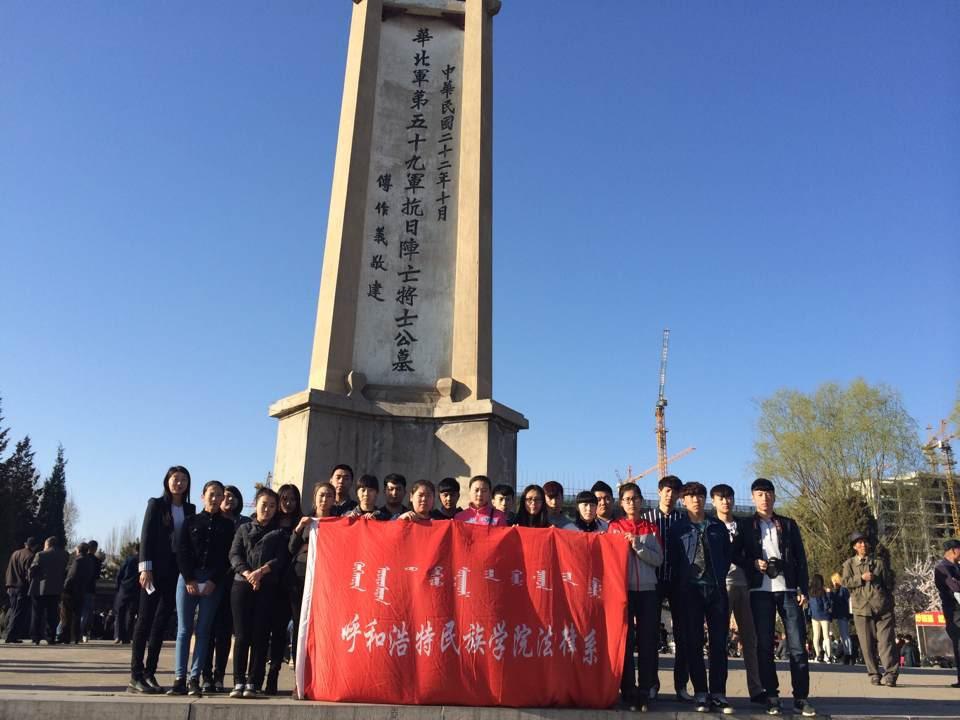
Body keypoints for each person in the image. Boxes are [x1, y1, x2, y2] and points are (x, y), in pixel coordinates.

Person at [741, 478, 816, 717]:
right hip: (759, 591)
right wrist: (753, 562)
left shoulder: (788, 524)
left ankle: (801, 697)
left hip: (788, 589)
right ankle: (771, 695)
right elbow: (735, 555)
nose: (764, 498)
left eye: (768, 494)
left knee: (797, 646)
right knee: (764, 645)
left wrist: (803, 588)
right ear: (753, 498)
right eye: (759, 494)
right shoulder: (746, 526)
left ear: (774, 496)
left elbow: (801, 560)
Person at [128, 465, 196, 695]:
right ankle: (135, 675)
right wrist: (145, 568)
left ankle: (150, 672)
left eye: (184, 479)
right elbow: (146, 536)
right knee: (144, 620)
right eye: (175, 479)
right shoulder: (156, 505)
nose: (179, 483)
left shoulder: (190, 508)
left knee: (161, 622)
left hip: (176, 573)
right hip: (154, 571)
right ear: (167, 481)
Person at [667, 482, 733, 714]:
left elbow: (727, 554)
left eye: (700, 496)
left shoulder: (717, 526)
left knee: (719, 643)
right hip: (689, 591)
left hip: (715, 589)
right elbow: (673, 559)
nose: (696, 500)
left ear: (705, 499)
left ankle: (718, 693)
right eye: (691, 496)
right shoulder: (677, 528)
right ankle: (701, 692)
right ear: (683, 500)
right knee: (693, 642)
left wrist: (720, 574)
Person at [167, 480, 234, 697]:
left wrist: (214, 580)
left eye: (219, 496)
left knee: (204, 631)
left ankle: (194, 678)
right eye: (211, 495)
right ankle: (179, 678)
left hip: (213, 582)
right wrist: (188, 578)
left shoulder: (227, 526)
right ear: (202, 496)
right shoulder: (190, 521)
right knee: (184, 630)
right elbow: (182, 550)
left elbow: (227, 557)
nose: (215, 499)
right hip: (188, 578)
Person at [229, 486, 289, 699]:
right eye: (265, 504)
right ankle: (238, 681)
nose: (268, 509)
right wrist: (248, 573)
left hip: (267, 587)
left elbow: (281, 559)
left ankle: (254, 682)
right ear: (256, 504)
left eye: (273, 506)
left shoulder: (280, 533)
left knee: (260, 635)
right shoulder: (244, 528)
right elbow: (235, 554)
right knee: (242, 635)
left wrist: (261, 573)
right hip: (242, 585)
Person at [609, 483, 662, 712]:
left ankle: (646, 690)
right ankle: (628, 691)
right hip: (623, 591)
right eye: (627, 499)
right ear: (621, 503)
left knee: (648, 642)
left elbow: (658, 559)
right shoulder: (614, 527)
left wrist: (637, 544)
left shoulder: (651, 528)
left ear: (641, 501)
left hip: (649, 590)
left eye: (635, 498)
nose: (632, 503)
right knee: (626, 641)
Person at [711, 484, 764, 703]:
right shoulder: (710, 525)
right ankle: (718, 690)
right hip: (722, 585)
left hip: (745, 584)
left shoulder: (744, 525)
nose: (726, 501)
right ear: (713, 501)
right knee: (719, 639)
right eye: (721, 498)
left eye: (729, 497)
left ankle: (756, 688)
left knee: (750, 639)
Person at [642, 474, 689, 701]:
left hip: (679, 581)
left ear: (680, 495)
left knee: (683, 635)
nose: (670, 495)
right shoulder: (647, 519)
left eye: (675, 492)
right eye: (667, 491)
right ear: (659, 492)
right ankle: (652, 683)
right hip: (653, 579)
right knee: (651, 634)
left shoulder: (684, 520)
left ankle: (681, 685)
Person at [202, 484, 251, 693]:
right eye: (225, 496)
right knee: (207, 629)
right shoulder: (211, 521)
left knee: (224, 632)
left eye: (233, 496)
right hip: (213, 580)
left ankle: (219, 675)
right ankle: (205, 676)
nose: (229, 500)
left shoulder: (245, 523)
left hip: (235, 581)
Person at [289, 482, 337, 671]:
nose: (325, 499)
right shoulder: (305, 520)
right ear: (315, 497)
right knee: (299, 622)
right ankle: (299, 668)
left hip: (326, 578)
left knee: (322, 623)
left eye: (329, 496)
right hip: (300, 577)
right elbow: (291, 548)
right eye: (321, 495)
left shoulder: (337, 522)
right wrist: (300, 527)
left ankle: (320, 668)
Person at [841, 532, 898, 687]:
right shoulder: (849, 564)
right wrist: (861, 578)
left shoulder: (879, 563)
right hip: (861, 608)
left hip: (882, 607)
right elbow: (845, 582)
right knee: (866, 644)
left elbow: (889, 582)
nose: (863, 545)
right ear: (854, 547)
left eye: (865, 542)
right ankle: (874, 673)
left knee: (886, 642)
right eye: (859, 543)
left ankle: (891, 674)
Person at [266, 484, 302, 694]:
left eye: (292, 499)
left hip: (296, 583)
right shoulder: (270, 522)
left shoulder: (304, 522)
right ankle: (272, 674)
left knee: (298, 630)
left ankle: (299, 679)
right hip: (274, 584)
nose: (288, 503)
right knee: (276, 631)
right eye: (284, 499)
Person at [28, 536, 69, 645]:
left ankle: (35, 637)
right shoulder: (65, 555)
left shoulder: (41, 554)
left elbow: (32, 570)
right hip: (56, 588)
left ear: (48, 544)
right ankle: (50, 637)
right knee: (52, 614)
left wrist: (31, 580)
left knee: (37, 613)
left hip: (39, 588)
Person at [934, 538, 960, 688]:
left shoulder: (957, 567)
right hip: (954, 611)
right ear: (953, 550)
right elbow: (954, 586)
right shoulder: (943, 567)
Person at [4, 537, 38, 643]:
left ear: (25, 544)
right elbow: (29, 574)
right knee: (19, 612)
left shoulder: (15, 553)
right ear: (35, 546)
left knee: (13, 610)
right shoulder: (30, 556)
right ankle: (11, 635)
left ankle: (9, 633)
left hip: (11, 586)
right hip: (21, 587)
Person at [61, 542, 95, 644]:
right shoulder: (89, 561)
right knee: (77, 614)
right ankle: (76, 637)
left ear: (78, 550)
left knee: (66, 615)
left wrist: (64, 588)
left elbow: (71, 576)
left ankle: (66, 637)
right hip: (82, 590)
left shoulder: (78, 560)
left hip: (71, 591)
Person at [113, 543, 140, 644]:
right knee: (131, 613)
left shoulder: (129, 559)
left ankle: (118, 636)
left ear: (135, 550)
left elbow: (120, 573)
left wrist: (118, 586)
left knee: (120, 612)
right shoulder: (144, 561)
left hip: (124, 587)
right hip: (137, 589)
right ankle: (128, 636)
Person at [807, 574, 833, 663]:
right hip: (824, 616)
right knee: (826, 636)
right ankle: (829, 655)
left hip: (814, 616)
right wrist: (829, 594)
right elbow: (826, 604)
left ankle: (818, 655)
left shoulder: (810, 592)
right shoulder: (822, 591)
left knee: (816, 636)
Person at [80, 540, 103, 642]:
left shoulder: (81, 558)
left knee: (80, 612)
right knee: (88, 612)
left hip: (80, 587)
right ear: (95, 548)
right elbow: (97, 576)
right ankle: (85, 632)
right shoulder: (97, 561)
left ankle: (78, 632)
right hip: (91, 588)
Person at [830, 572, 853, 663]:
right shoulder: (840, 589)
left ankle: (848, 654)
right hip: (841, 614)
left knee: (845, 635)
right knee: (843, 635)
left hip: (843, 614)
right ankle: (847, 653)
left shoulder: (843, 590)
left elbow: (841, 601)